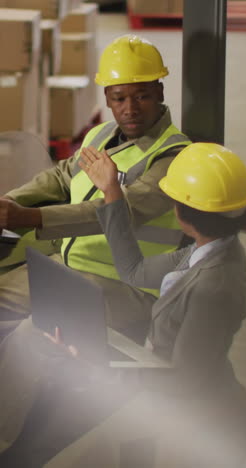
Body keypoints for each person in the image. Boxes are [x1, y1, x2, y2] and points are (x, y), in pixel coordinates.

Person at [42, 142, 246, 467]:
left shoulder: (213, 285)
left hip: (202, 427)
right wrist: (112, 191)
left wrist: (96, 361)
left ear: (183, 211)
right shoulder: (210, 249)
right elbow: (134, 271)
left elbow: (182, 379)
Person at [0, 34, 191, 340]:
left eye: (141, 96)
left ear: (159, 91)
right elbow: (62, 175)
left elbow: (118, 211)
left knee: (32, 336)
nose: (130, 108)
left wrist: (28, 218)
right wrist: (10, 201)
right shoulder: (101, 136)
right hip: (69, 267)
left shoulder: (174, 156)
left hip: (128, 288)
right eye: (119, 98)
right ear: (106, 97)